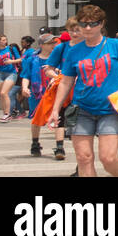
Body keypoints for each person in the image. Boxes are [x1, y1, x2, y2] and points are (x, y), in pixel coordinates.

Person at [47, 5, 118, 177]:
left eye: (92, 24)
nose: (88, 28)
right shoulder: (74, 51)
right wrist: (55, 110)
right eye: (83, 24)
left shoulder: (115, 45)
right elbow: (66, 82)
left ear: (102, 23)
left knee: (108, 158)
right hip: (81, 109)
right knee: (84, 158)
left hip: (111, 109)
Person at [43, 17, 81, 162]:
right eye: (71, 30)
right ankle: (59, 147)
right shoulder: (62, 47)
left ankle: (81, 162)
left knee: (79, 124)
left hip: (82, 91)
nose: (74, 33)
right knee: (61, 117)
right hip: (65, 88)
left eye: (77, 30)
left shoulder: (90, 46)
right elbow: (48, 69)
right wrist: (58, 77)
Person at [21, 33, 57, 155]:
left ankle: (59, 146)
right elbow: (26, 76)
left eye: (54, 42)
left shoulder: (58, 58)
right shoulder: (32, 59)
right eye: (50, 43)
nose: (53, 44)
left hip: (55, 93)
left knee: (59, 119)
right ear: (41, 45)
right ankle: (35, 143)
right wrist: (25, 87)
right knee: (36, 120)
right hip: (37, 94)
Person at [0, 35, 20, 121]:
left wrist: (11, 61)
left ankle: (8, 114)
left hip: (12, 73)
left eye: (5, 39)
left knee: (4, 92)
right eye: (3, 40)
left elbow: (20, 59)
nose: (5, 41)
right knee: (2, 95)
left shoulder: (11, 48)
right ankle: (5, 113)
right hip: (0, 73)